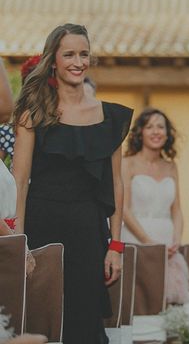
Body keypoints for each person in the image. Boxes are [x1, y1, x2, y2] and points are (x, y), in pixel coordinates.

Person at [11, 23, 133, 344]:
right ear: (53, 60)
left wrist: (116, 247)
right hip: (42, 230)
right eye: (69, 54)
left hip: (90, 234)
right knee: (43, 320)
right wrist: (19, 243)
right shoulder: (33, 112)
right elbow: (19, 182)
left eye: (84, 54)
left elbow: (116, 185)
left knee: (86, 323)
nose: (78, 62)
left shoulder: (110, 117)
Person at [121, 108, 189, 304]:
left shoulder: (171, 167)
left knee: (165, 301)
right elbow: (124, 210)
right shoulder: (127, 164)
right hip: (136, 239)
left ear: (167, 133)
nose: (156, 131)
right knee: (139, 299)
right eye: (149, 126)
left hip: (167, 243)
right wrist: (148, 242)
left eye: (160, 127)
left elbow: (177, 210)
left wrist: (176, 239)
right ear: (140, 132)